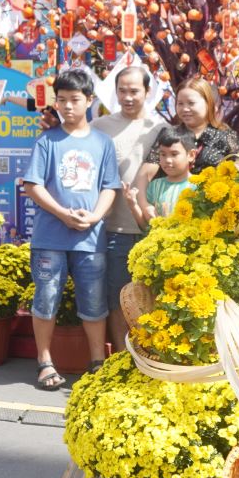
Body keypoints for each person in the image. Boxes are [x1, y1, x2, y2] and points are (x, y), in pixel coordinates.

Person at [21, 69, 119, 391]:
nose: (67, 106)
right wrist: (63, 214)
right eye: (61, 100)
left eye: (75, 100)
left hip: (90, 239)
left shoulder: (103, 143)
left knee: (93, 302)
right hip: (50, 237)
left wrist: (94, 218)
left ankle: (97, 362)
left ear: (89, 101)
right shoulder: (47, 141)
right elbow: (33, 186)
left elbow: (109, 187)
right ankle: (45, 361)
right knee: (46, 298)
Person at [92, 66, 162, 350]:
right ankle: (122, 359)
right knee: (118, 298)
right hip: (114, 228)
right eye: (122, 90)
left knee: (151, 299)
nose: (128, 97)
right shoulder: (99, 127)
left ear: (147, 92)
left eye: (135, 91)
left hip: (151, 229)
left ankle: (149, 358)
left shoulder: (160, 129)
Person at [133, 77, 239, 198]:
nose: (185, 109)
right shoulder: (170, 134)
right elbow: (146, 172)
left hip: (210, 211)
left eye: (191, 103)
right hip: (169, 209)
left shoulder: (227, 137)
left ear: (208, 103)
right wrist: (144, 206)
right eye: (180, 103)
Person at [136, 130, 196, 223]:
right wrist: (133, 205)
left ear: (191, 155)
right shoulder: (155, 186)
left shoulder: (198, 186)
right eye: (163, 154)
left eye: (174, 154)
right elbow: (146, 225)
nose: (167, 160)